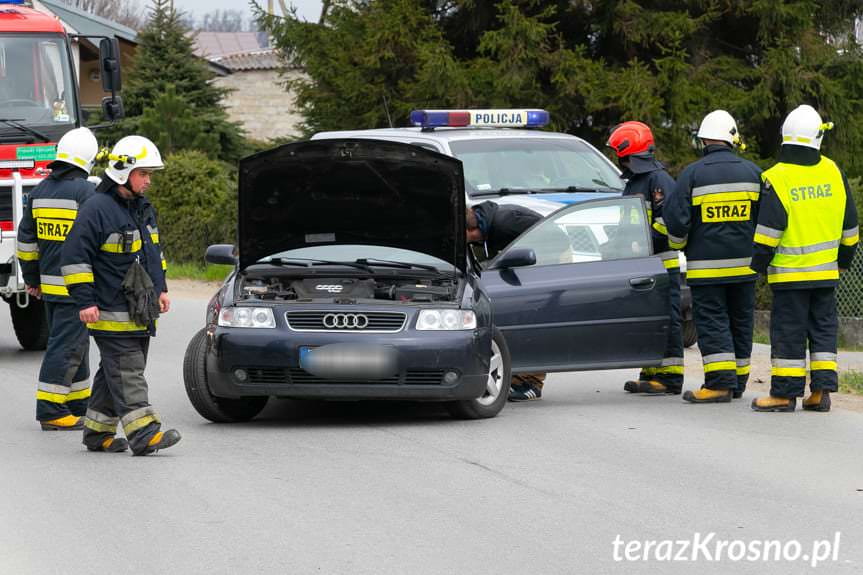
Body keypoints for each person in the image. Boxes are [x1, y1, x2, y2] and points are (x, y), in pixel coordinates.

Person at [61, 135, 181, 453]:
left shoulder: (142, 209)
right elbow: (74, 257)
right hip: (109, 309)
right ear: (121, 172)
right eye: (144, 173)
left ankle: (96, 433)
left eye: (149, 174)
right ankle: (144, 434)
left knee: (114, 370)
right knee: (127, 369)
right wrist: (84, 300)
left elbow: (154, 253)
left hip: (139, 309)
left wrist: (161, 288)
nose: (148, 181)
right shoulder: (96, 209)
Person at [750, 105, 858, 412]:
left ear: (785, 136)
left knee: (789, 333)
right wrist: (844, 261)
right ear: (817, 138)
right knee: (823, 329)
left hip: (789, 276)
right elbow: (850, 228)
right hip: (826, 274)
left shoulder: (775, 177)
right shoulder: (833, 172)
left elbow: (768, 232)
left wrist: (757, 267)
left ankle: (784, 394)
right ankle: (820, 393)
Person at [664, 110, 763, 403]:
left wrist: (679, 244)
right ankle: (738, 382)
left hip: (706, 270)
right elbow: (766, 219)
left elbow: (677, 221)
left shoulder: (692, 174)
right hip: (746, 268)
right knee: (741, 321)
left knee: (713, 321)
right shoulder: (754, 173)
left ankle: (720, 384)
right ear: (732, 139)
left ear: (704, 139)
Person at [17, 127, 98, 431]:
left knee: (75, 346)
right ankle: (50, 410)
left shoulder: (38, 192)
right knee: (66, 347)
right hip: (76, 287)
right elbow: (94, 240)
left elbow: (26, 243)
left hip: (50, 286)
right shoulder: (87, 193)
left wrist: (32, 278)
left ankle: (78, 404)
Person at [607, 121, 684, 395]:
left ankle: (671, 377)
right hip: (642, 262)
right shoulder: (633, 183)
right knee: (651, 318)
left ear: (631, 152)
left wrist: (644, 238)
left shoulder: (659, 181)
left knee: (669, 318)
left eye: (620, 153)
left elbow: (670, 223)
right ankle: (651, 372)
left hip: (662, 262)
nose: (618, 158)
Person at [467, 201, 548, 401]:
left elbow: (536, 248)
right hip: (528, 264)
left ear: (474, 229)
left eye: (466, 237)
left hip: (549, 258)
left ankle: (533, 383)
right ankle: (517, 378)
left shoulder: (505, 227)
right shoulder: (486, 224)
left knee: (531, 320)